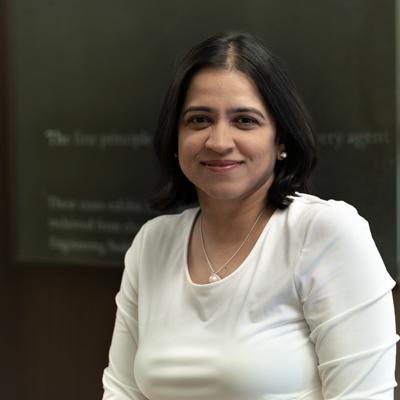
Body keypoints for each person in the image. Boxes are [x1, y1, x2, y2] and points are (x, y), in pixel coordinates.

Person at [102, 32, 398, 400]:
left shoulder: (325, 233)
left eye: (244, 120)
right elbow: (121, 391)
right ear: (175, 137)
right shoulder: (153, 243)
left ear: (281, 141)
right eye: (199, 120)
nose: (219, 141)